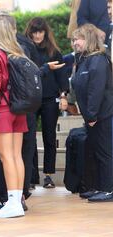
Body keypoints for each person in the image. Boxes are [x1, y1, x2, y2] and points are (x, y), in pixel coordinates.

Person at [0, 10, 27, 218]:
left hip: (1, 107)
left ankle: (13, 203)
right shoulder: (17, 50)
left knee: (5, 156)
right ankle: (17, 201)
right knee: (16, 156)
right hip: (19, 107)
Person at [25, 17, 69, 189]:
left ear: (45, 32)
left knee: (49, 136)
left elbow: (61, 76)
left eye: (40, 31)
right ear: (30, 31)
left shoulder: (54, 52)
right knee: (29, 137)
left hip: (50, 98)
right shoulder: (26, 50)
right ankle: (32, 176)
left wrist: (63, 95)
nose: (37, 35)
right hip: (31, 98)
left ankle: (49, 175)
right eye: (35, 31)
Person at [71, 23, 113, 202]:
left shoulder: (98, 61)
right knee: (96, 152)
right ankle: (98, 186)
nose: (74, 43)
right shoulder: (85, 60)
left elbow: (95, 91)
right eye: (73, 40)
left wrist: (92, 115)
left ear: (88, 39)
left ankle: (108, 189)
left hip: (102, 116)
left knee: (105, 153)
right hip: (93, 117)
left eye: (77, 39)